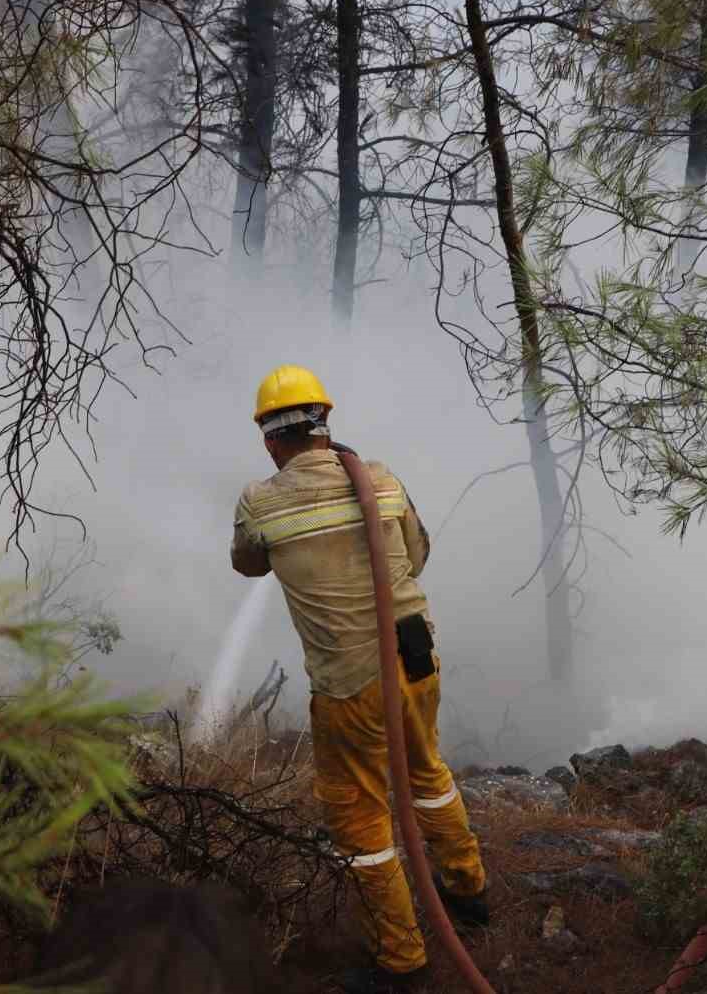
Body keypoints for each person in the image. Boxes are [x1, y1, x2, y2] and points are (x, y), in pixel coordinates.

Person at [230, 364, 488, 994]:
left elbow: (248, 565)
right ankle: (468, 891)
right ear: (326, 423)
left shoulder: (260, 501)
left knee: (360, 819)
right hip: (416, 657)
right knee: (428, 772)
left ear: (269, 438)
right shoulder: (380, 479)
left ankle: (401, 960)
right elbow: (416, 553)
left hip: (350, 682)